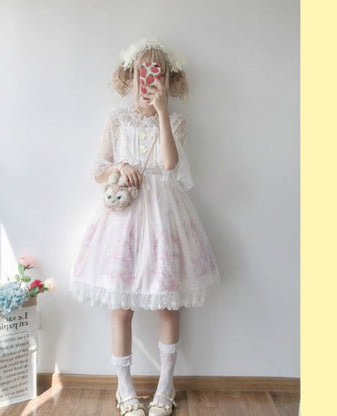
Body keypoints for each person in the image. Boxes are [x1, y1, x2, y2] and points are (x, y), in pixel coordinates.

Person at [69, 39, 221, 416]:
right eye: (143, 71)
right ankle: (124, 387)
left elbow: (169, 165)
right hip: (123, 220)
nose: (148, 79)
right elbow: (98, 171)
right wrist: (119, 167)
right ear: (132, 74)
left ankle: (166, 385)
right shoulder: (118, 119)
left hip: (164, 216)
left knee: (168, 303)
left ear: (168, 78)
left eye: (157, 72)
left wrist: (163, 112)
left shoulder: (177, 121)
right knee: (121, 307)